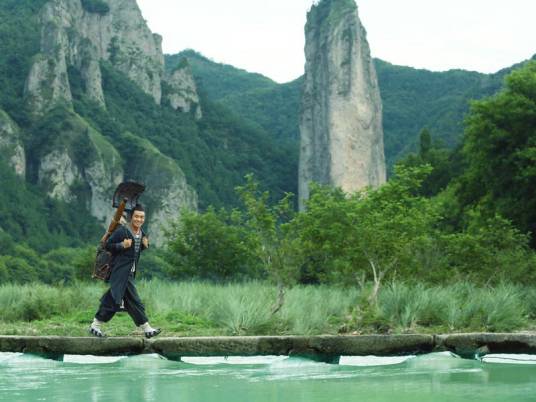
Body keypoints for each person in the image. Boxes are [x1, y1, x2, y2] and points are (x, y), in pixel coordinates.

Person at [89, 204, 161, 338]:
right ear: (131, 217)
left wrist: (145, 246)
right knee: (134, 300)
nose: (139, 219)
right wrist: (122, 245)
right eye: (136, 217)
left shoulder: (141, 233)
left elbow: (134, 250)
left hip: (130, 272)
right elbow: (107, 246)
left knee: (116, 299)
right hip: (120, 272)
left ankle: (95, 325)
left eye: (141, 217)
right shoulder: (122, 231)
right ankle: (146, 328)